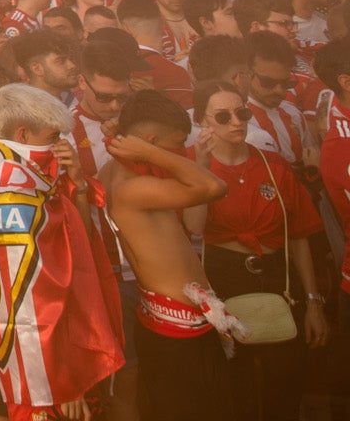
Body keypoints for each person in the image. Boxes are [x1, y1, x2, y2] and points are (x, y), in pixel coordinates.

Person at [0, 83, 126, 419]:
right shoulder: (4, 188)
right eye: (52, 137)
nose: (59, 145)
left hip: (63, 350)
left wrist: (77, 184)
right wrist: (63, 381)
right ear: (23, 133)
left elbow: (78, 248)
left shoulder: (32, 175)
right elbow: (29, 302)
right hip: (43, 369)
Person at [193, 79, 327, 421]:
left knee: (286, 379)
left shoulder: (274, 165)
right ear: (203, 120)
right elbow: (193, 228)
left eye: (242, 113)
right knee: (234, 385)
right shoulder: (196, 167)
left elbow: (298, 236)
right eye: (223, 116)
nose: (236, 122)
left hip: (276, 277)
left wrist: (313, 302)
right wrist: (201, 171)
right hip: (224, 277)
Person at [98, 90, 231, 421]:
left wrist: (133, 143)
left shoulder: (121, 172)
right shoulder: (133, 188)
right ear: (151, 143)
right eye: (178, 144)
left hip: (178, 320)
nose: (183, 151)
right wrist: (150, 151)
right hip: (177, 329)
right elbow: (215, 187)